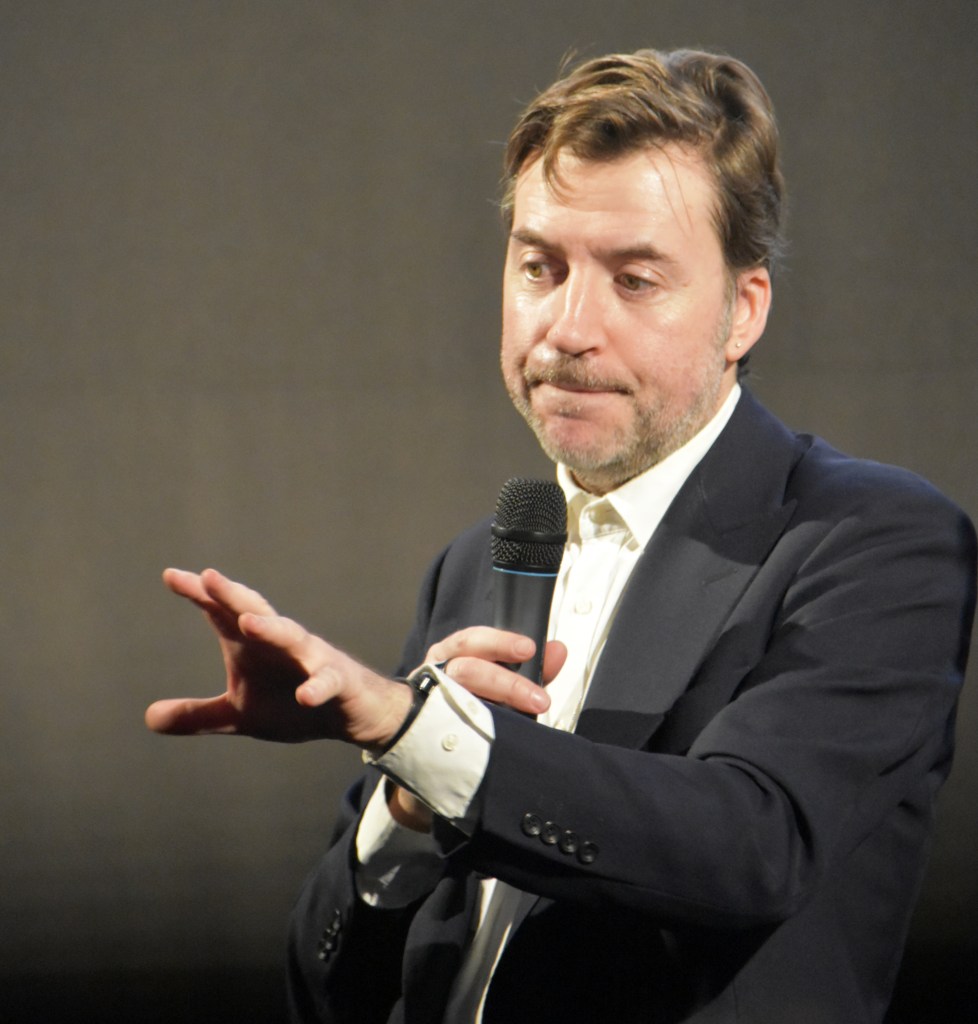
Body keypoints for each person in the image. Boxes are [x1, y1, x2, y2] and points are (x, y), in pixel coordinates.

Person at [146, 48, 977, 1023]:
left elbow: (751, 848)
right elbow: (327, 994)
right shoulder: (476, 563)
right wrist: (408, 800)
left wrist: (420, 733)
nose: (568, 327)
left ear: (742, 311)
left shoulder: (874, 539)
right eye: (540, 267)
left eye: (635, 280)